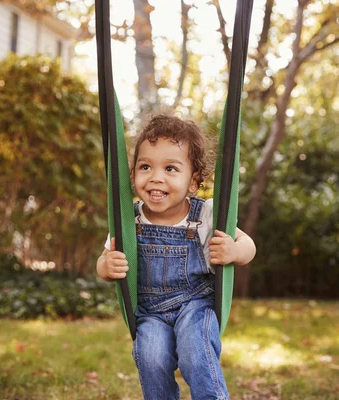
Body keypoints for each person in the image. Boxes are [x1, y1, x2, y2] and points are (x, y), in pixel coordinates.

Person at [96, 113, 256, 400]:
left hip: (195, 305)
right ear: (132, 175)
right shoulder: (127, 220)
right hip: (150, 313)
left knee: (196, 353)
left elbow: (249, 245)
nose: (156, 177)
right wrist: (107, 266)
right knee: (150, 357)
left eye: (170, 168)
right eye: (146, 166)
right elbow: (104, 260)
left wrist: (234, 250)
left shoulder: (205, 214)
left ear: (193, 182)